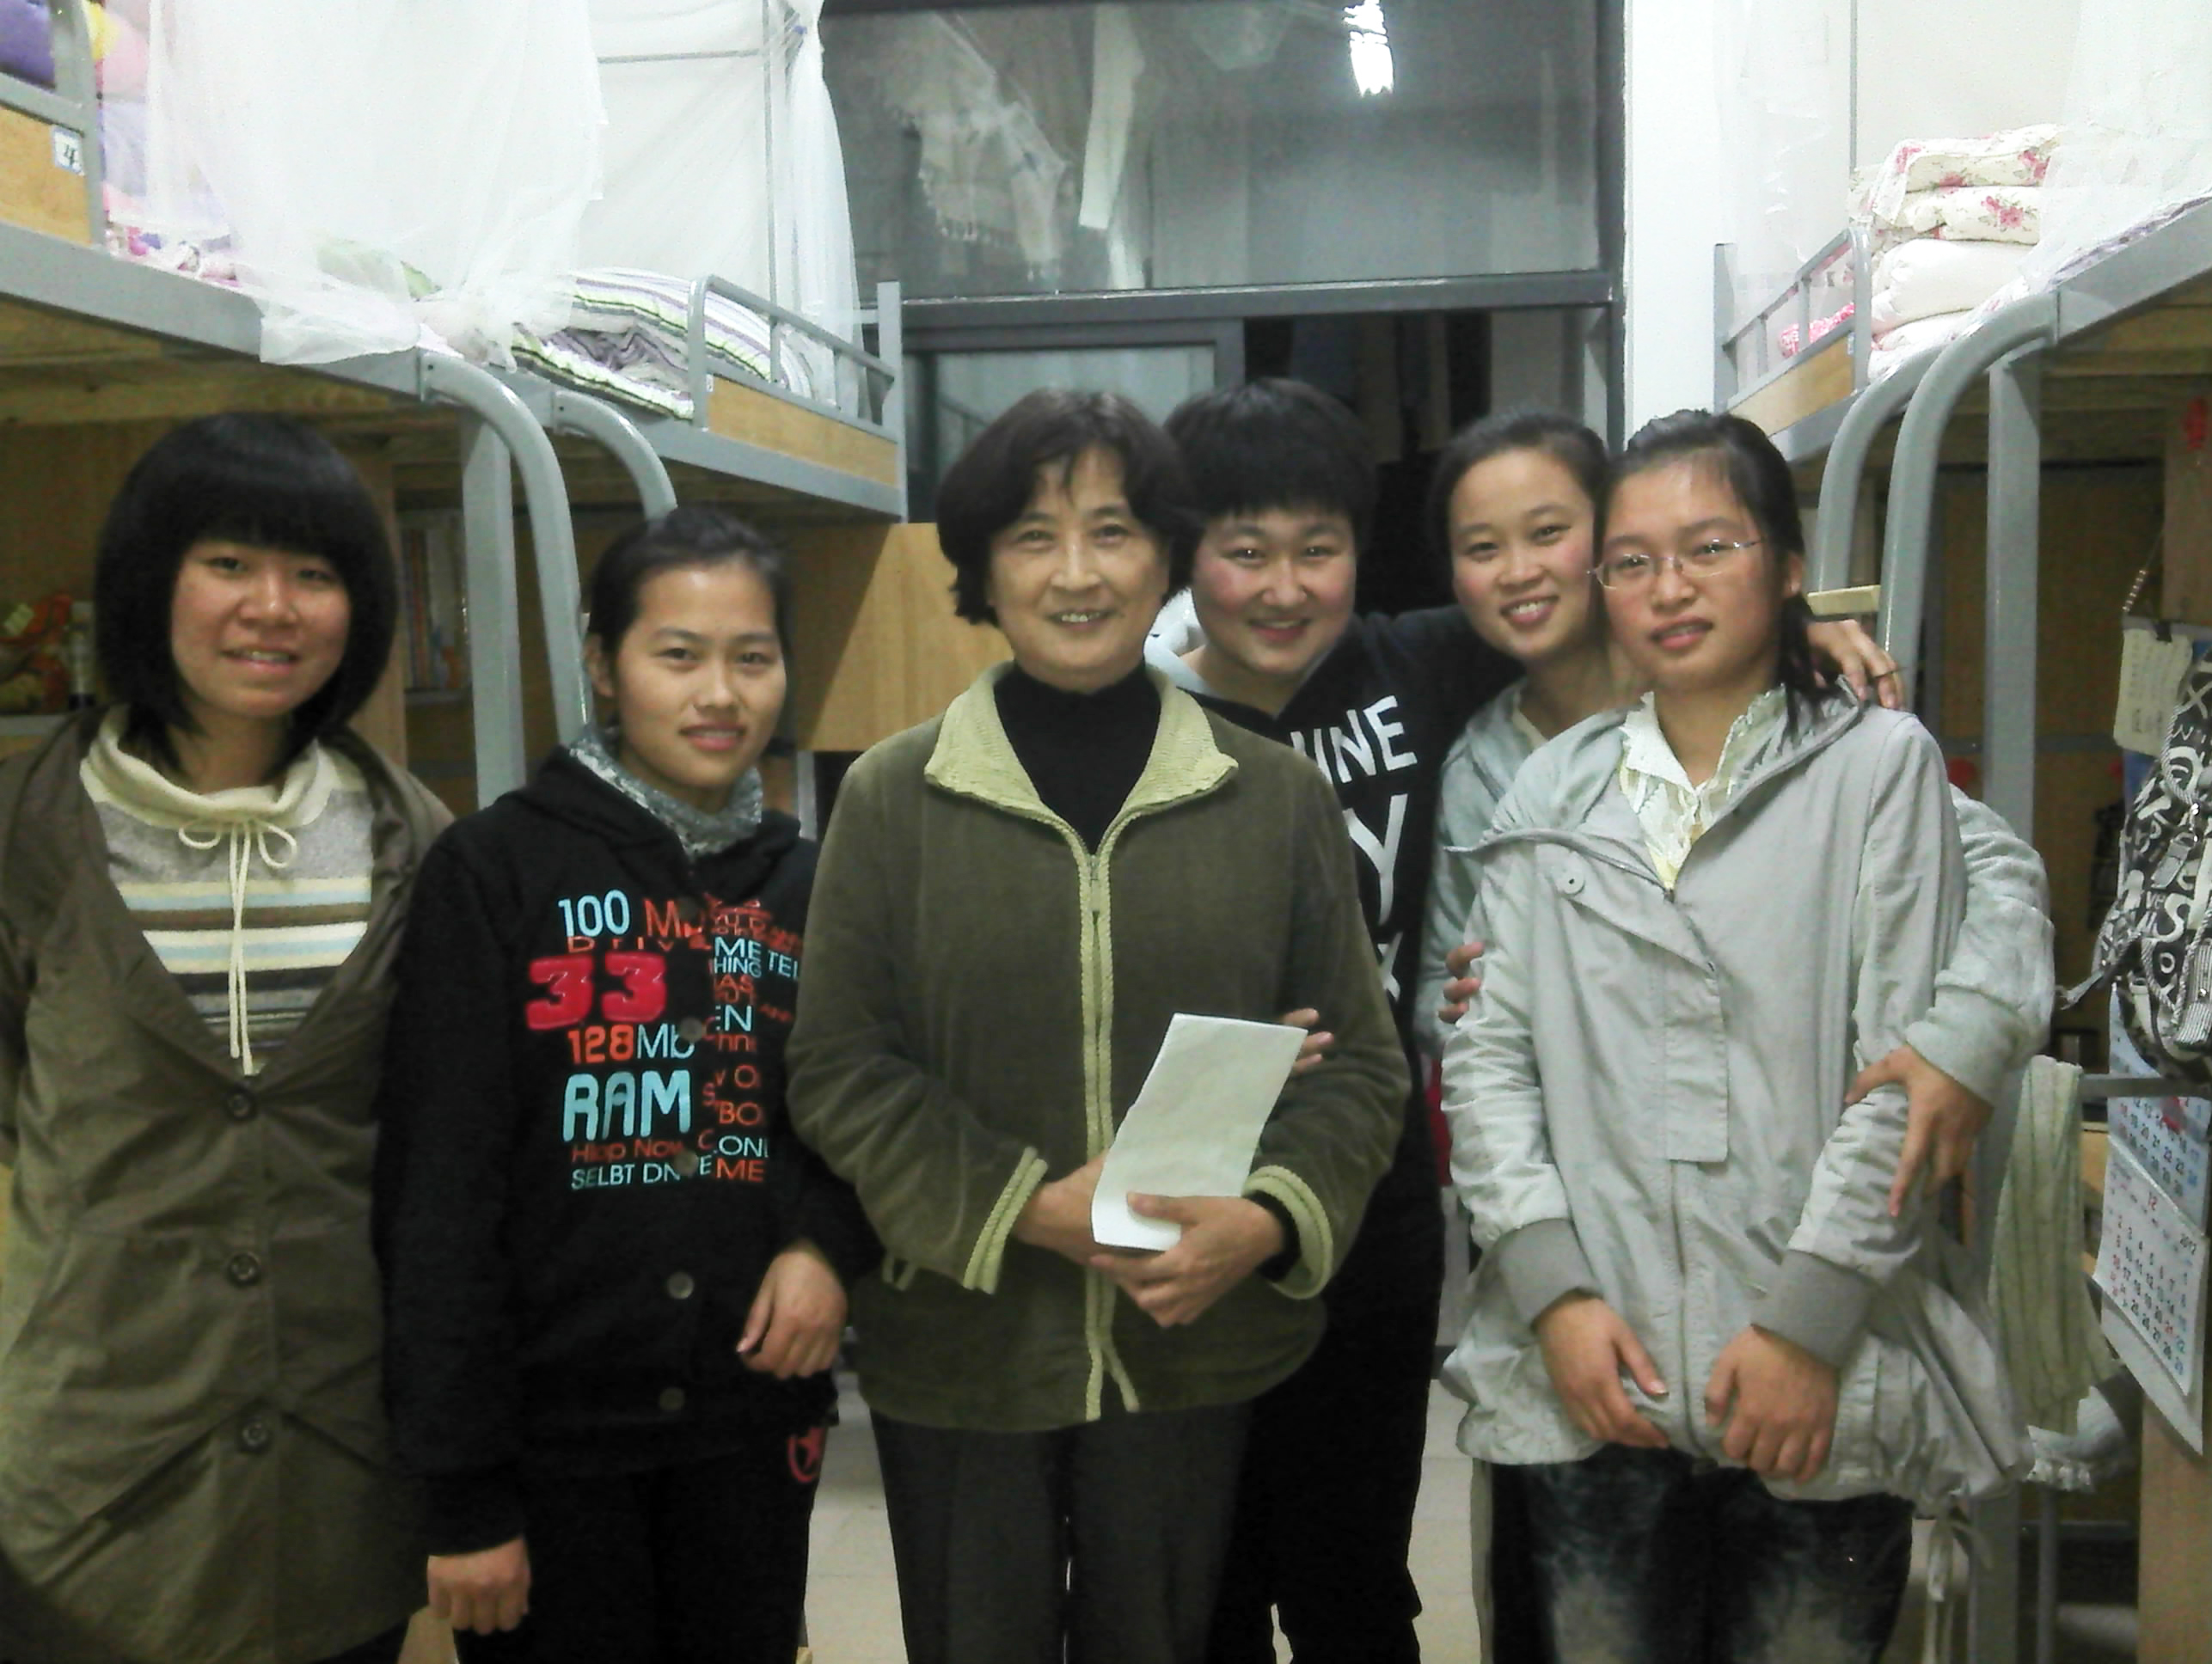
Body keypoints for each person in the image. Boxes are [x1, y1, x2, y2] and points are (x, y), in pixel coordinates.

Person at [1151, 380, 1916, 1664]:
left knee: (1353, 1573)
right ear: (1190, 559)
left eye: (1319, 549)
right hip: (1197, 1167)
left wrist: (1803, 626)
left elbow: (1619, 613)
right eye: (1244, 552)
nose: (1285, 588)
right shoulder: (1148, 719)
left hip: (1371, 1183)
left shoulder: (1413, 665)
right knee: (1199, 1578)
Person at [787, 388, 1410, 1664]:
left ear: (1165, 556)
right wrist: (1026, 1205)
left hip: (1192, 1340)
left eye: (1113, 531)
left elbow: (1361, 1068)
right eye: (1034, 536)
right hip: (961, 1347)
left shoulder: (1272, 796)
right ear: (981, 571)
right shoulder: (892, 798)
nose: (1077, 573)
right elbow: (842, 1067)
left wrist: (1269, 1218)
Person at [1417, 412, 2054, 1658]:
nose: (1669, 588)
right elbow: (1486, 1060)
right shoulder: (1540, 784)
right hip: (1598, 1357)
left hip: (1815, 1356)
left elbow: (1906, 1053)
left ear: (1788, 565)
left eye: (1710, 548)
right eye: (1634, 562)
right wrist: (1555, 1297)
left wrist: (1807, 1323)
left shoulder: (1879, 765)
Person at [373, 507, 877, 1664]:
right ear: (604, 665)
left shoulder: (813, 882)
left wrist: (827, 1244)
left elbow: (861, 1112)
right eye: (678, 655)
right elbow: (438, 1189)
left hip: (753, 1418)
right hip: (551, 1443)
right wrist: (463, 1493)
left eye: (752, 657)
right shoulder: (495, 869)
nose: (720, 695)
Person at [0, 413, 444, 1664]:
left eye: (315, 573)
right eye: (230, 563)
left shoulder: (412, 840)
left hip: (340, 1469)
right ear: (154, 579)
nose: (273, 608)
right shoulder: (30, 834)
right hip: (93, 1476)